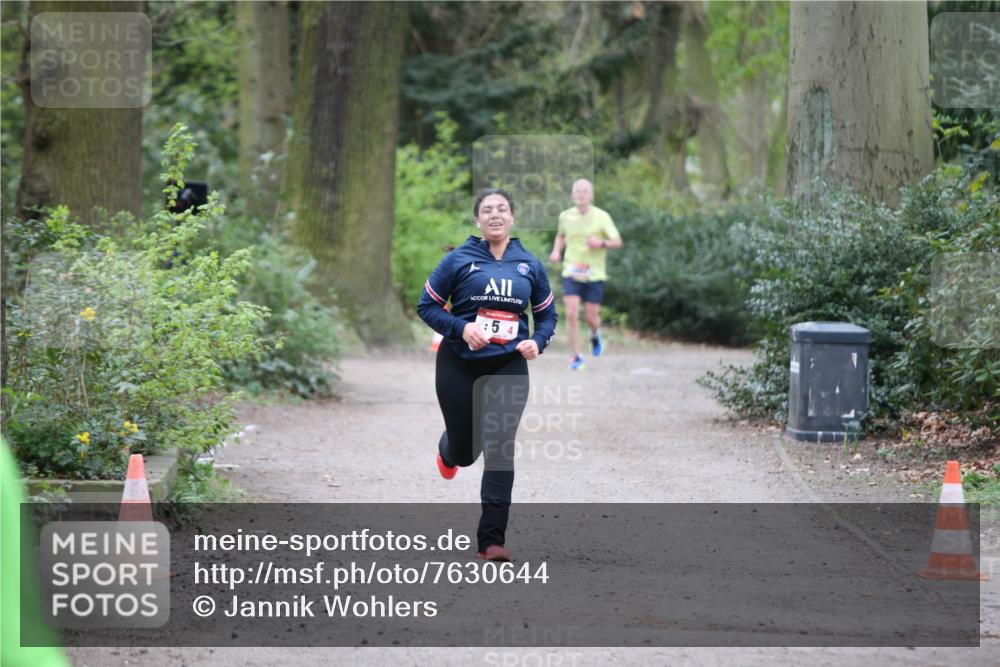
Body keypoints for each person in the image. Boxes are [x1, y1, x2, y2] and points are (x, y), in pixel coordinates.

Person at [417, 188, 557, 562]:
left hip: (507, 365)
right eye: (488, 210)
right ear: (477, 220)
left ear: (512, 217)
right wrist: (461, 328)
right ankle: (449, 449)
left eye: (502, 209)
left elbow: (546, 316)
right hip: (459, 363)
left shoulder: (529, 264)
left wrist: (537, 341)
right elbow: (427, 306)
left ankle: (491, 540)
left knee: (499, 446)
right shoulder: (458, 260)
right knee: (466, 453)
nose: (495, 214)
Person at [549, 179, 622, 370]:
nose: (580, 194)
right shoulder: (565, 216)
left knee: (591, 317)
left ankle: (595, 334)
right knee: (571, 312)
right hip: (571, 271)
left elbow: (617, 241)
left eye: (584, 191)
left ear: (591, 195)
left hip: (594, 274)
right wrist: (556, 251)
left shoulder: (602, 216)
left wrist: (601, 243)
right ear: (572, 195)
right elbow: (561, 235)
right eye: (577, 191)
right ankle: (576, 356)